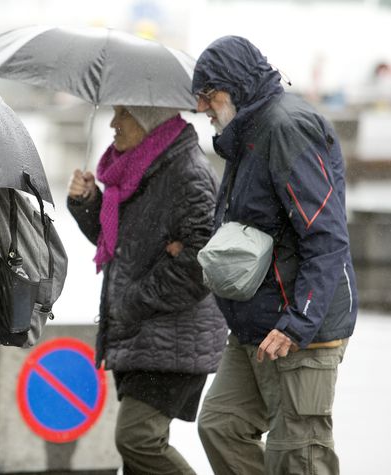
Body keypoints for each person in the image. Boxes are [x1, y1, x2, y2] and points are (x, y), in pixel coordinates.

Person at [192, 36, 358, 474]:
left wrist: (299, 321)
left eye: (209, 96)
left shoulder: (287, 126)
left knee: (298, 452)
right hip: (256, 324)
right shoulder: (246, 133)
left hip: (301, 327)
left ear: (235, 87)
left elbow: (326, 236)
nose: (203, 108)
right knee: (221, 425)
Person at [67, 105, 227, 474]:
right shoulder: (139, 169)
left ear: (149, 118)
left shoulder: (186, 173)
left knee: (137, 439)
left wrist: (131, 300)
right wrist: (88, 202)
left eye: (124, 113)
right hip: (143, 333)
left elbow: (200, 264)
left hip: (173, 335)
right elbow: (122, 245)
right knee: (137, 460)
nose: (112, 123)